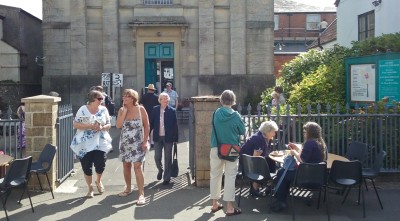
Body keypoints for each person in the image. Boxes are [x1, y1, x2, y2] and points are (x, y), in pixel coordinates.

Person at [271, 121, 327, 212]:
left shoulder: (309, 143)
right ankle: (281, 198)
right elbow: (308, 156)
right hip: (317, 176)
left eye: (305, 132)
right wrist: (297, 149)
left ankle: (280, 200)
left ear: (310, 132)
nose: (304, 134)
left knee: (282, 172)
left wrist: (294, 152)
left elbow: (302, 160)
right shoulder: (320, 143)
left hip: (305, 176)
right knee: (284, 173)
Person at [70, 90, 112, 198]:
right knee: (86, 166)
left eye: (102, 99)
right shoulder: (83, 109)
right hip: (85, 143)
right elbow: (75, 124)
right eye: (100, 99)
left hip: (100, 142)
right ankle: (90, 187)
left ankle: (98, 181)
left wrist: (102, 127)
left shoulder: (103, 110)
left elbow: (109, 124)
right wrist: (89, 126)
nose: (102, 101)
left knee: (100, 163)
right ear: (93, 99)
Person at [210, 90, 246, 216]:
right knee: (230, 176)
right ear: (233, 101)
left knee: (215, 175)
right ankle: (230, 207)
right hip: (232, 149)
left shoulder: (216, 113)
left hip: (216, 147)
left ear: (221, 100)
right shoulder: (236, 115)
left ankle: (214, 204)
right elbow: (242, 130)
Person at [116, 89, 150, 205]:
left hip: (138, 143)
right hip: (125, 143)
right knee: (126, 165)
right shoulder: (121, 110)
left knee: (137, 167)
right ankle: (128, 188)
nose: (124, 98)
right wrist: (124, 113)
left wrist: (145, 141)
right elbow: (118, 125)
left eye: (127, 96)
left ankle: (141, 194)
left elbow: (147, 126)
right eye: (123, 96)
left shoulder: (141, 109)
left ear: (133, 98)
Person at [240, 121, 279, 197]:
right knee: (265, 163)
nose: (275, 134)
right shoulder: (259, 139)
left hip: (250, 160)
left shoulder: (265, 137)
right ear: (267, 131)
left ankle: (269, 185)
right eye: (273, 132)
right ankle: (255, 188)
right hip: (247, 164)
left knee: (271, 161)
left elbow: (264, 153)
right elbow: (256, 159)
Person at [149, 92, 178, 185]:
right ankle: (160, 170)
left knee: (168, 158)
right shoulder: (155, 109)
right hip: (158, 137)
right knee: (157, 157)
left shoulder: (172, 110)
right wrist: (147, 135)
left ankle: (166, 177)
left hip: (168, 137)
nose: (166, 100)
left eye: (167, 98)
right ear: (160, 100)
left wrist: (176, 138)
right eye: (164, 98)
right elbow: (151, 123)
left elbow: (175, 125)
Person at [139, 84, 159, 148]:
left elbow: (141, 105)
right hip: (154, 114)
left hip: (145, 113)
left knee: (145, 127)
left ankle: (146, 140)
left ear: (148, 89)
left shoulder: (144, 96)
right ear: (153, 90)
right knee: (153, 127)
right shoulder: (157, 97)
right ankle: (152, 142)